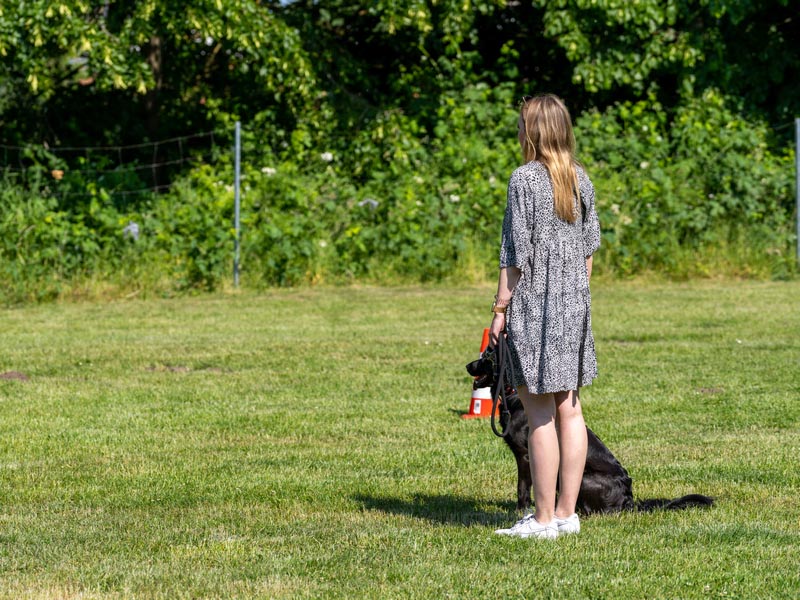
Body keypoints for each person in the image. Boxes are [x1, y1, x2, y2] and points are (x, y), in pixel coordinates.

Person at [489, 94, 601, 539]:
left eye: (522, 124)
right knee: (570, 409)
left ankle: (542, 520)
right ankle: (567, 514)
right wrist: (578, 295)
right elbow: (590, 247)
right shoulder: (580, 177)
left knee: (539, 415)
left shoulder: (524, 179)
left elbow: (515, 254)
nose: (518, 130)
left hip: (536, 303)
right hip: (575, 303)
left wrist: (500, 309)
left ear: (532, 131)